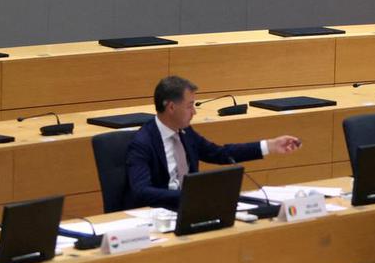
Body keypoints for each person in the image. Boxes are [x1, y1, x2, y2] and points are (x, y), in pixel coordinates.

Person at [125, 76, 302, 210]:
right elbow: (141, 191)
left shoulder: (185, 133)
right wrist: (188, 196)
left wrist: (269, 146)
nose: (194, 112)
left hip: (191, 208)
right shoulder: (143, 142)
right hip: (159, 212)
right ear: (171, 107)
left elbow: (220, 154)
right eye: (190, 106)